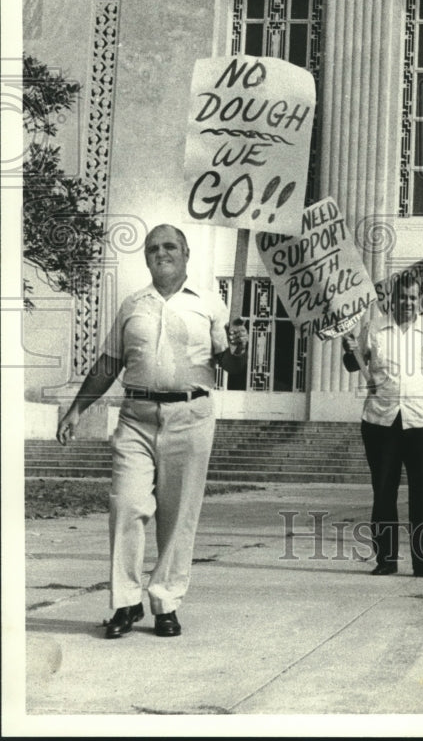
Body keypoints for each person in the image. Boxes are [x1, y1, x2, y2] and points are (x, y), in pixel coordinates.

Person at [56, 224, 248, 638]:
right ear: (145, 257)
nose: (161, 253)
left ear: (185, 254)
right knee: (125, 505)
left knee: (179, 518)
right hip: (136, 418)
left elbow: (231, 367)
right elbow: (109, 364)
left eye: (169, 246)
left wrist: (240, 347)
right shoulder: (132, 305)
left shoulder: (210, 305)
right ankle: (126, 603)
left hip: (191, 417)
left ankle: (165, 602)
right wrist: (77, 409)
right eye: (153, 248)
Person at [342, 270, 423, 578]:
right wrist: (348, 348)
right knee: (383, 491)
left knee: (422, 492)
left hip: (421, 422)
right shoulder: (374, 328)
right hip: (381, 420)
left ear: (420, 300)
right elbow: (354, 363)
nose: (407, 302)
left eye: (412, 297)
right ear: (391, 299)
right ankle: (386, 560)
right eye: (402, 297)